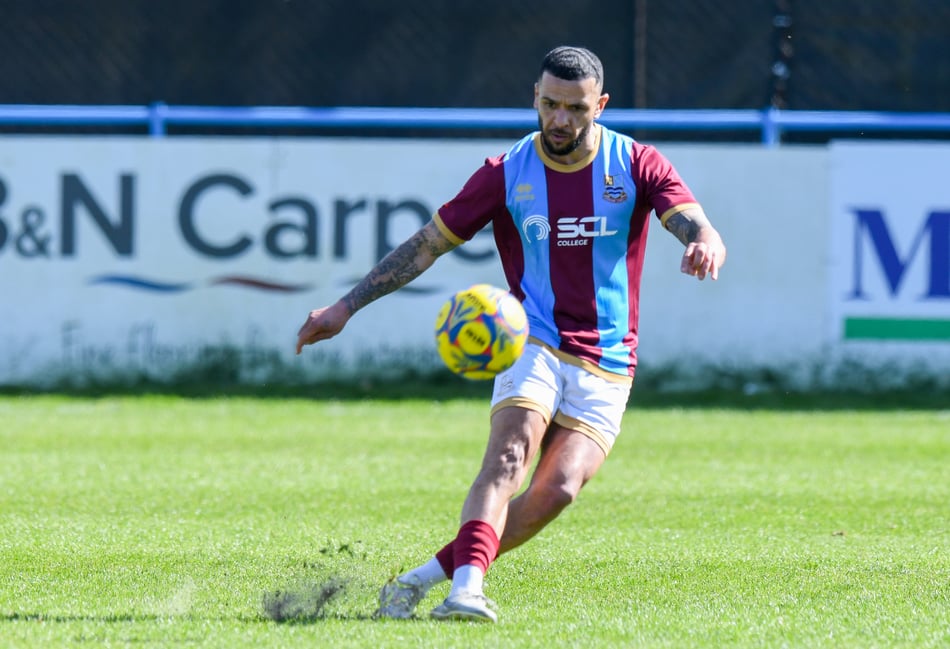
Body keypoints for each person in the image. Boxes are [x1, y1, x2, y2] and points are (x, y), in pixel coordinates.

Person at [295, 45, 726, 623]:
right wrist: (347, 306)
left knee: (558, 491)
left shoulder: (636, 163)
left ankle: (421, 579)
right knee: (509, 455)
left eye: (574, 108)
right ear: (536, 98)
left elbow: (687, 215)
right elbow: (427, 245)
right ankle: (465, 591)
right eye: (549, 105)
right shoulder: (505, 173)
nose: (559, 120)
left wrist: (704, 238)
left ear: (599, 105)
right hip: (530, 340)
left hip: (609, 357)